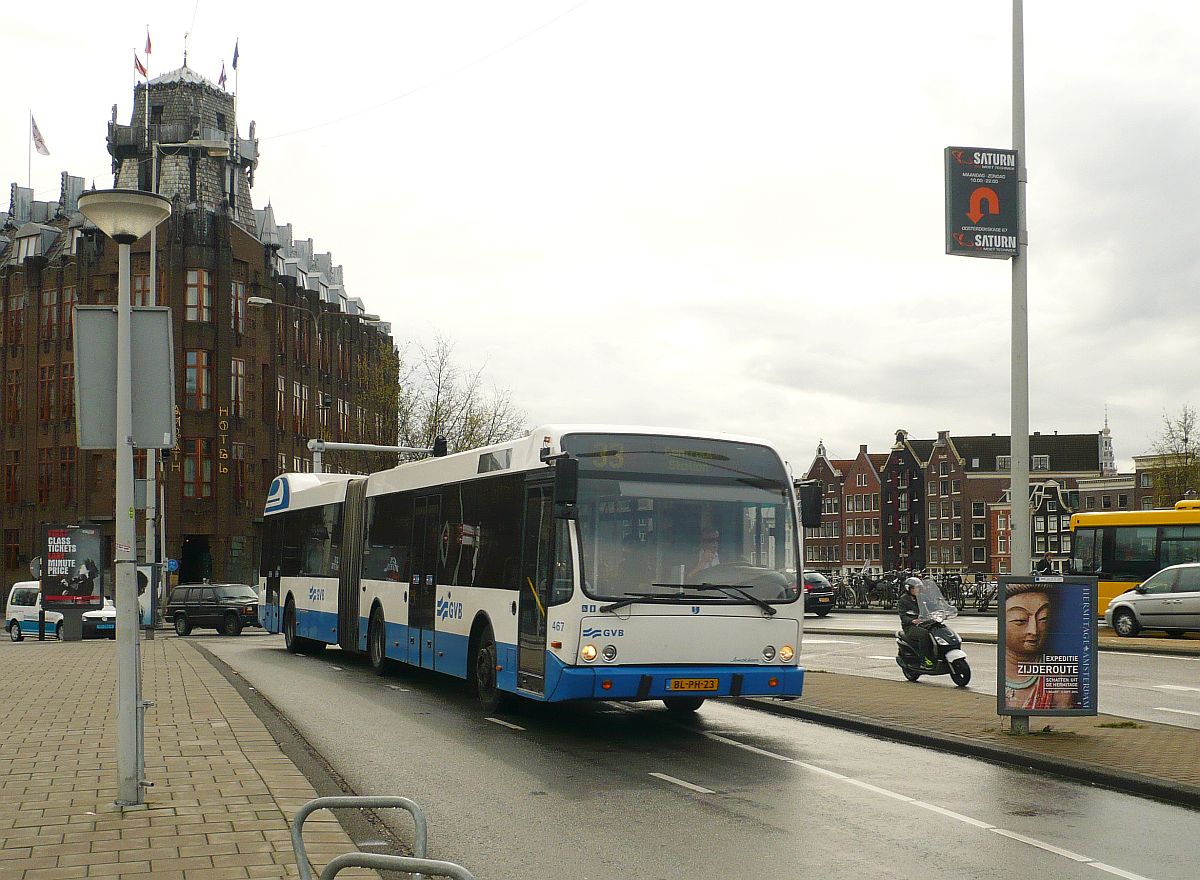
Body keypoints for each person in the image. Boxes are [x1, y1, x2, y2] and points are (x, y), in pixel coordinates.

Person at [1003, 583, 1077, 710]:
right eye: (1020, 620)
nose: (1034, 630)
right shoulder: (994, 671)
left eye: (1043, 619)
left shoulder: (1056, 676)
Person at [898, 576, 935, 669]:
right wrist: (912, 620)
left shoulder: (922, 597)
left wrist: (941, 609)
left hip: (924, 623)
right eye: (915, 588)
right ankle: (924, 661)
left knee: (936, 630)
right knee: (924, 635)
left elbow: (932, 605)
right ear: (908, 589)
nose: (917, 589)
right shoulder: (903, 600)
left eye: (918, 587)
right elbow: (903, 616)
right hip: (910, 627)